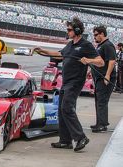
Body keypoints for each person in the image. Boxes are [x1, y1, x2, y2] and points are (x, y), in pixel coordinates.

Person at [33, 17, 104, 152]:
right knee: (61, 109)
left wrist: (88, 60)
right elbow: (59, 54)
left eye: (69, 29)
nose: (68, 31)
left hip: (75, 82)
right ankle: (65, 141)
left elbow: (101, 62)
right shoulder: (70, 44)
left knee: (66, 107)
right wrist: (42, 51)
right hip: (66, 82)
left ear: (77, 30)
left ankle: (80, 137)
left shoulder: (86, 45)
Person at [90, 26, 116, 133]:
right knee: (98, 101)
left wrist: (107, 75)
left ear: (102, 34)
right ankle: (99, 123)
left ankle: (102, 125)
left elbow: (112, 61)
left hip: (104, 78)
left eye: (96, 34)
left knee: (102, 101)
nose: (94, 37)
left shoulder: (108, 45)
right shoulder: (100, 46)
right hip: (99, 78)